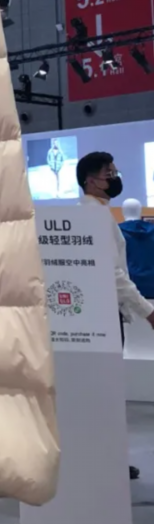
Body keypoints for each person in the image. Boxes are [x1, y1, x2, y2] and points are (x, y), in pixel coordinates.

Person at [78, 152, 154, 480]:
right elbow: (114, 274)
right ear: (90, 180)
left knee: (102, 392)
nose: (114, 177)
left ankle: (106, 457)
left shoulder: (97, 214)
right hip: (103, 315)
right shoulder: (94, 217)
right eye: (109, 173)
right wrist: (147, 311)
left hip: (101, 314)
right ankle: (106, 460)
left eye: (114, 171)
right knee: (104, 393)